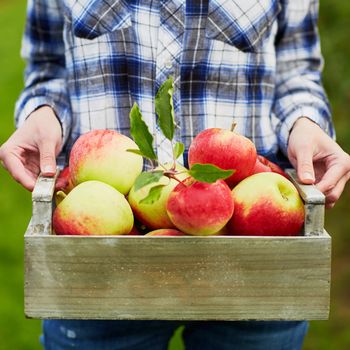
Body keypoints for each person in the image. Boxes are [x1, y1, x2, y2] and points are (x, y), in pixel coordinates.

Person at [1, 0, 350, 349]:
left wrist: (305, 122)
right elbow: (48, 65)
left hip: (253, 250)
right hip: (101, 261)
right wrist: (42, 112)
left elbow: (295, 70)